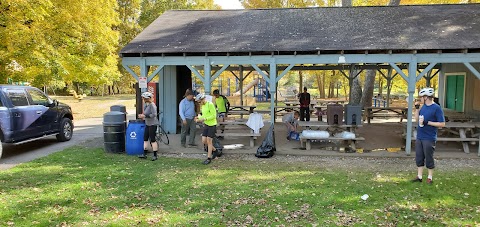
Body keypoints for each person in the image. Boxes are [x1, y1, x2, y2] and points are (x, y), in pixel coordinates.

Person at [412, 87, 445, 184]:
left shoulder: (436, 108)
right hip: (420, 136)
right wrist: (417, 109)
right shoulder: (423, 107)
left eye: (421, 97)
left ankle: (430, 177)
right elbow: (417, 120)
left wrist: (428, 122)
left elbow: (442, 124)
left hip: (429, 137)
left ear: (426, 97)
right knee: (419, 156)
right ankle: (419, 176)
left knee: (429, 157)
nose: (420, 99)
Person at [194, 93, 218, 165]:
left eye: (199, 101)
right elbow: (203, 115)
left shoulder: (210, 104)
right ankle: (215, 151)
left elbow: (214, 115)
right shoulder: (203, 106)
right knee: (204, 141)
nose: (199, 103)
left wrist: (204, 119)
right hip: (206, 124)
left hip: (212, 125)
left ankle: (208, 158)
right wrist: (198, 118)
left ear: (203, 99)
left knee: (209, 141)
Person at [138, 91, 159, 161]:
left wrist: (145, 115)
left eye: (144, 98)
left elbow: (154, 114)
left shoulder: (152, 105)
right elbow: (145, 113)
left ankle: (155, 155)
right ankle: (144, 154)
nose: (143, 99)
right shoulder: (145, 105)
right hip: (147, 123)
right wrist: (142, 115)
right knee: (145, 138)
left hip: (153, 124)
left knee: (152, 139)